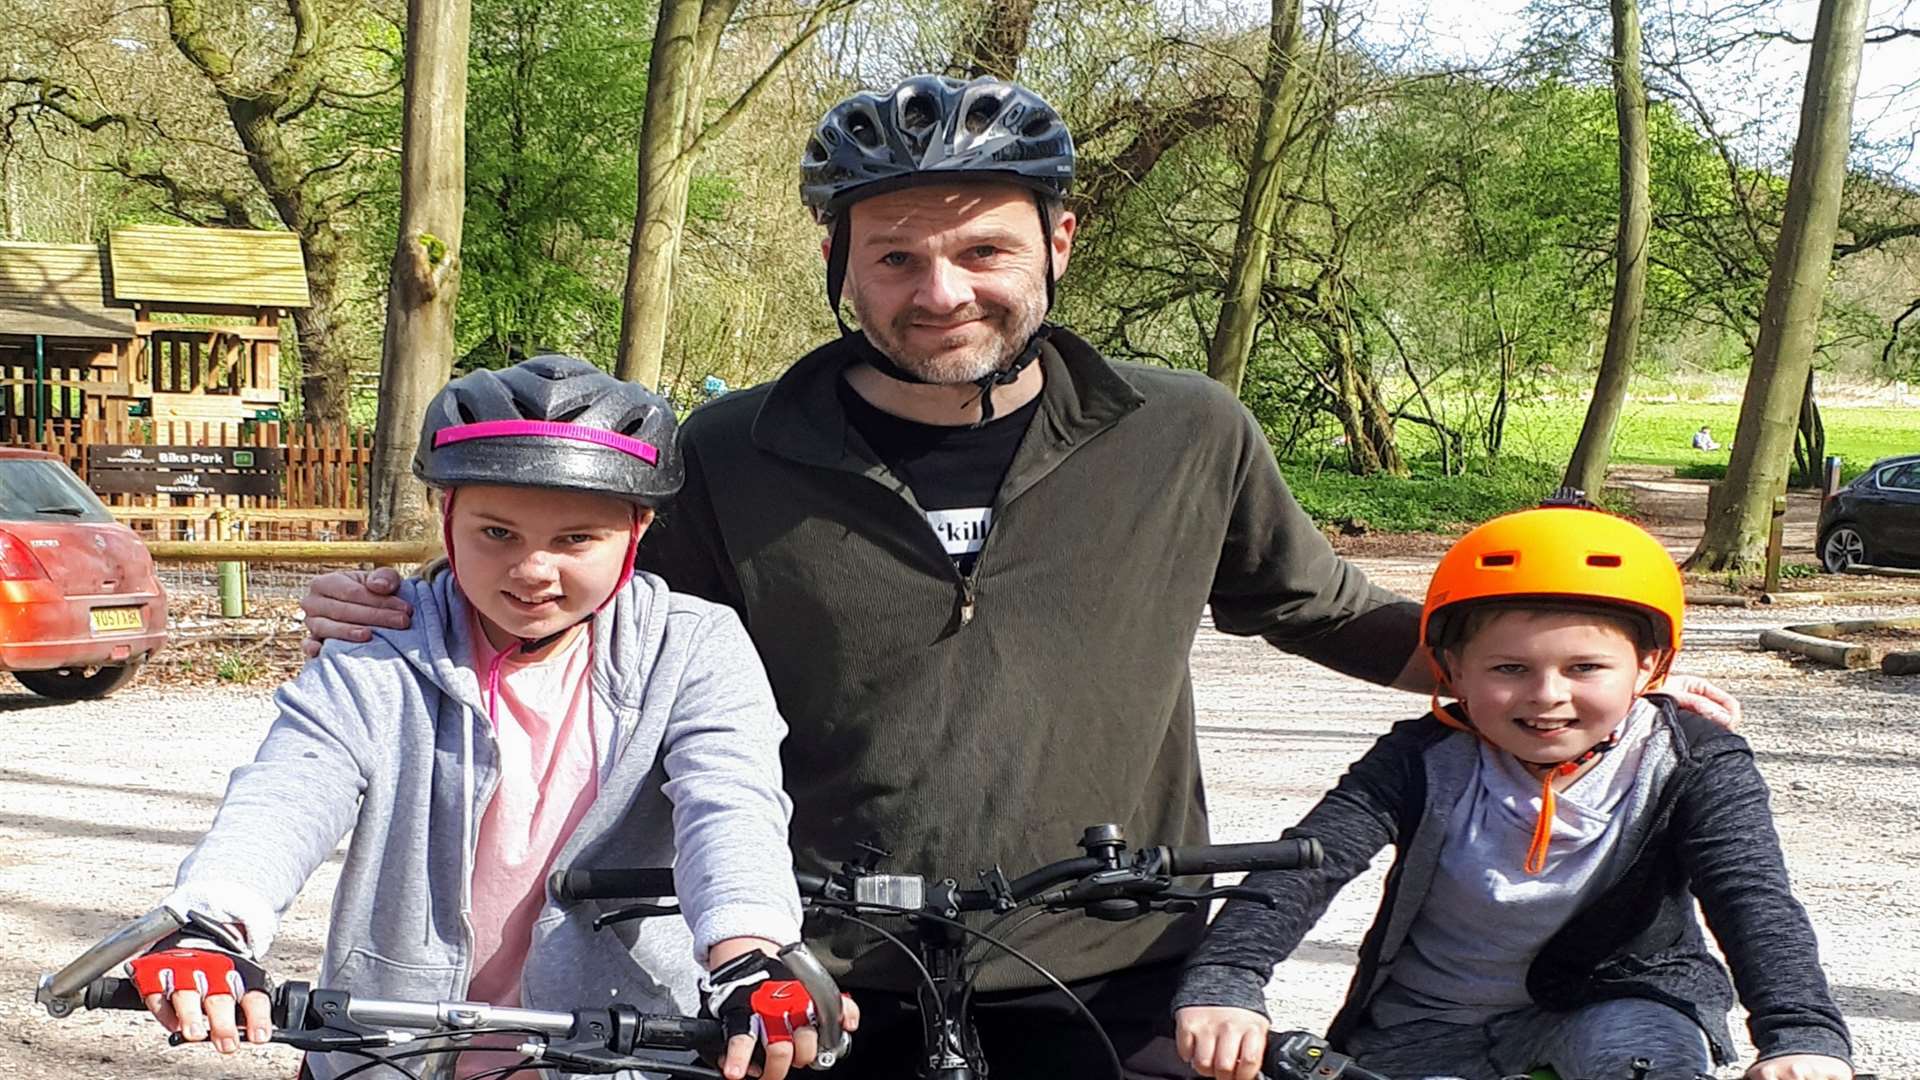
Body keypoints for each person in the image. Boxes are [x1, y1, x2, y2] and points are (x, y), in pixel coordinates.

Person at [299, 76, 1737, 1079]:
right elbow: (586, 616)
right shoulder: (735, 450)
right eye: (897, 255)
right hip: (820, 963)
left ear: (1055, 240)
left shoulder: (1185, 433)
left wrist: (1571, 673)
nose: (943, 292)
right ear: (839, 266)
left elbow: (1326, 607)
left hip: (1115, 949)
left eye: (984, 249)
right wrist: (404, 611)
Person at [129, 356, 853, 1080]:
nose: (533, 569)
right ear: (444, 515)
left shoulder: (693, 646)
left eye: (576, 540)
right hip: (390, 1047)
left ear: (639, 528)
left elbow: (731, 801)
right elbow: (290, 786)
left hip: (617, 1046)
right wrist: (212, 925)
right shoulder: (380, 643)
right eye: (497, 533)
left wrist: (748, 954)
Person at [1171, 498, 1849, 1080]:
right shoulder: (1422, 757)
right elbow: (1307, 864)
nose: (1546, 696)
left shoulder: (1691, 758)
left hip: (1611, 1004)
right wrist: (1227, 979)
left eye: (1586, 667)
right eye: (1508, 667)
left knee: (1649, 1056)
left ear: (1649, 665)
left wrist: (1802, 1033)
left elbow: (1752, 896)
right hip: (1424, 1021)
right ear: (1451, 670)